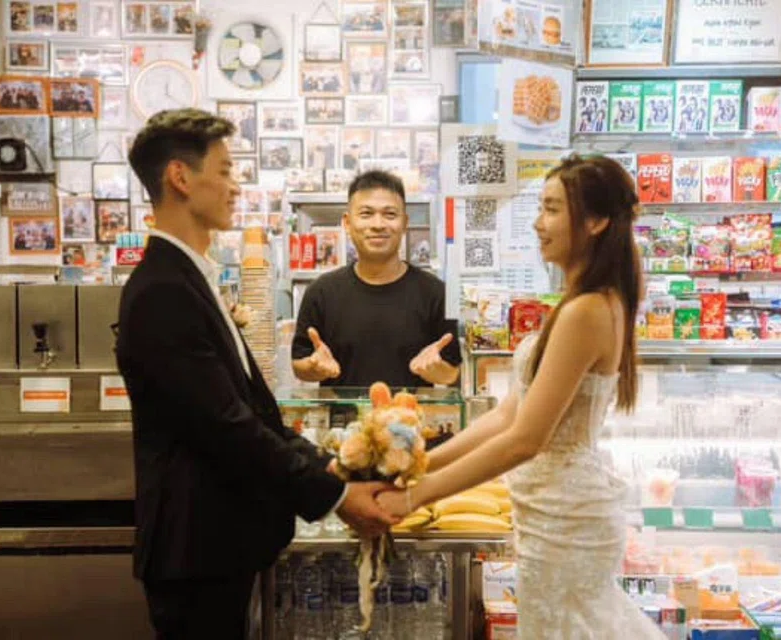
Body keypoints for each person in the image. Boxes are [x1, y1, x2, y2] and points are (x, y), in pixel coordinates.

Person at [117, 109, 399, 639]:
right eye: (224, 170)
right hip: (195, 551)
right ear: (180, 177)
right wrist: (336, 496)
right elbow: (227, 427)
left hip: (217, 546)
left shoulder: (190, 278)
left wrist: (335, 468)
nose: (235, 184)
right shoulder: (162, 291)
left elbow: (251, 414)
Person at [377, 155, 664, 638]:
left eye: (552, 209)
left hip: (565, 518)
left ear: (595, 222)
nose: (537, 223)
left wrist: (414, 497)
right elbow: (510, 413)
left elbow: (525, 440)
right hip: (553, 510)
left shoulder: (588, 310)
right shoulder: (583, 301)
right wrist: (423, 465)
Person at [291, 170, 461, 388]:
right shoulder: (321, 291)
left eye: (390, 214)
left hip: (412, 419)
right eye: (366, 214)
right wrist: (313, 368)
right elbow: (299, 364)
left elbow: (452, 373)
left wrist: (438, 372)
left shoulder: (437, 293)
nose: (378, 224)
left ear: (405, 222)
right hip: (342, 421)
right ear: (347, 222)